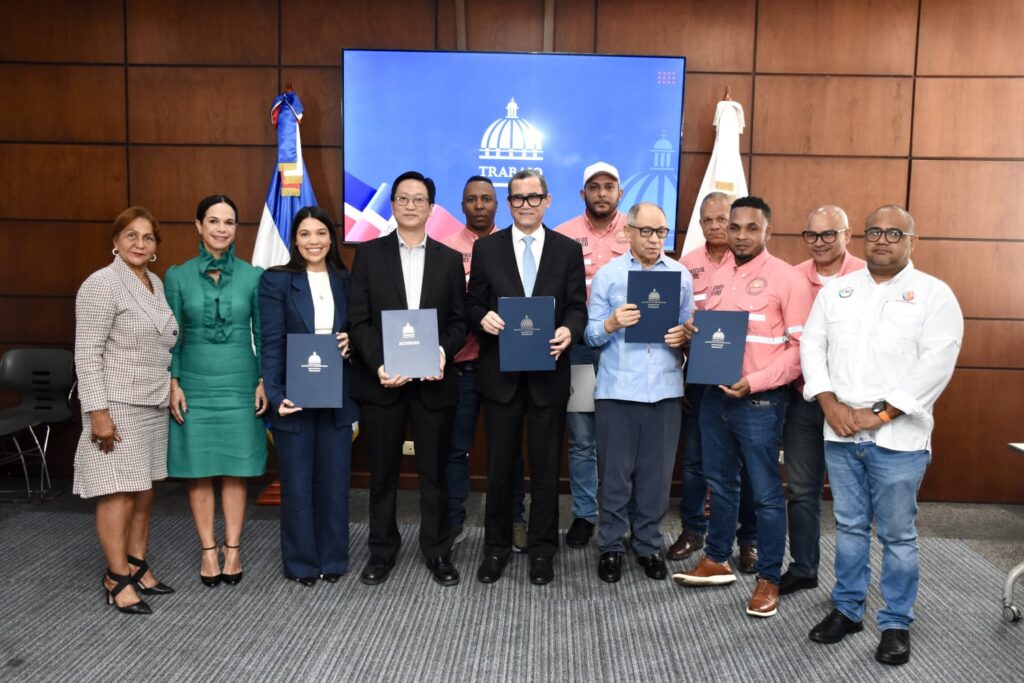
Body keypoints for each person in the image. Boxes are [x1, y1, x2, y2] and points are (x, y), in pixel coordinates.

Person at [802, 206, 962, 666]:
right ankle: (848, 609)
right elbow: (813, 345)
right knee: (850, 527)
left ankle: (895, 622)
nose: (883, 240)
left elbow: (937, 362)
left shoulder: (933, 294)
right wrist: (830, 403)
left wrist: (882, 413)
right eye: (875, 232)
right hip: (841, 430)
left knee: (896, 534)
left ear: (913, 240)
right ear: (863, 238)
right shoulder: (839, 291)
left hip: (899, 437)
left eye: (895, 233)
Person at [672, 196, 813, 619]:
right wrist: (695, 333)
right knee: (721, 482)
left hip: (761, 400)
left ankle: (769, 577)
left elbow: (801, 349)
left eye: (752, 228)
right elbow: (714, 336)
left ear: (768, 231)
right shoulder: (716, 278)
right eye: (735, 227)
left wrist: (756, 381)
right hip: (715, 396)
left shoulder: (787, 279)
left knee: (767, 493)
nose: (741, 235)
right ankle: (717, 557)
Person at [467, 169, 587, 586]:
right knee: (500, 467)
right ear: (508, 202)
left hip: (548, 376)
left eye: (533, 198)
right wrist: (482, 317)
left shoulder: (567, 250)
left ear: (547, 201)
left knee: (546, 469)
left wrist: (569, 330)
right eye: (517, 199)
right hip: (500, 375)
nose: (525, 205)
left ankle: (542, 550)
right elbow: (471, 304)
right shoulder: (487, 249)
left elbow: (577, 306)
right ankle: (496, 548)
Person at [349, 171, 468, 586]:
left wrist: (441, 352)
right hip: (384, 383)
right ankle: (382, 550)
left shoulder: (450, 260)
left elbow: (459, 322)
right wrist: (379, 362)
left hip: (434, 384)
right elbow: (358, 320)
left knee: (434, 473)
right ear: (393, 205)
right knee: (383, 473)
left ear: (432, 208)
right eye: (403, 198)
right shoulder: (368, 255)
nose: (411, 205)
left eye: (420, 199)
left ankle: (438, 551)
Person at [74, 206, 178, 615]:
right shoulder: (101, 284)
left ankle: (136, 564)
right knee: (117, 492)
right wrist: (98, 412)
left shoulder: (154, 282)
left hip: (151, 402)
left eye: (148, 238)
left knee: (144, 490)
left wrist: (169, 384)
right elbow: (86, 354)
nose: (139, 244)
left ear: (155, 247)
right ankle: (116, 577)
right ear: (115, 241)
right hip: (115, 405)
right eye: (131, 236)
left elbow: (161, 342)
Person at [585, 202, 694, 582]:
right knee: (614, 475)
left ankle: (648, 543)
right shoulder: (608, 275)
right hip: (617, 389)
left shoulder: (680, 276)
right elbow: (590, 335)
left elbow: (687, 328)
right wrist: (611, 323)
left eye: (661, 232)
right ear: (627, 232)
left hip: (664, 389)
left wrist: (684, 335)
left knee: (656, 475)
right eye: (645, 231)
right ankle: (611, 545)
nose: (653, 240)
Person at [165, 195, 268, 587]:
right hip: (194, 383)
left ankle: (234, 548)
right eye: (213, 221)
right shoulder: (177, 275)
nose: (221, 229)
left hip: (241, 382)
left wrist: (263, 380)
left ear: (236, 228)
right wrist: (173, 382)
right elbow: (172, 335)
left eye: (229, 222)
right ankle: (209, 549)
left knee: (236, 471)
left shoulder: (253, 275)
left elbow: (263, 334)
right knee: (200, 470)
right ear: (198, 226)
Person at [259, 206, 359, 587]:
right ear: (294, 239)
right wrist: (276, 392)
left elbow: (361, 334)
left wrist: (353, 346)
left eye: (320, 233)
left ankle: (333, 559)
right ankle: (301, 562)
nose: (313, 241)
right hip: (293, 398)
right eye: (305, 234)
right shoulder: (276, 281)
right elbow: (270, 342)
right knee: (297, 484)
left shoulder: (347, 282)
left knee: (334, 482)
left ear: (331, 238)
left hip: (338, 395)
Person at [669, 191, 758, 573]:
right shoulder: (685, 267)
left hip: (747, 377)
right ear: (700, 225)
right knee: (694, 460)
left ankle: (748, 540)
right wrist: (686, 332)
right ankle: (693, 530)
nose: (717, 226)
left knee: (747, 464)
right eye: (708, 221)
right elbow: (675, 321)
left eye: (724, 219)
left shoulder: (757, 267)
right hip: (700, 375)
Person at [779, 205, 865, 595]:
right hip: (803, 401)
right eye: (811, 235)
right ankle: (803, 567)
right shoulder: (792, 277)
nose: (820, 243)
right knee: (801, 490)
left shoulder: (868, 276)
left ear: (848, 234)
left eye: (829, 234)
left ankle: (852, 585)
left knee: (853, 500)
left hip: (853, 406)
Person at [441, 176, 528, 549]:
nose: (480, 205)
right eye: (472, 199)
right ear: (461, 205)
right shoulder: (444, 251)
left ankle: (515, 518)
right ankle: (454, 519)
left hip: (503, 364)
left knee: (507, 448)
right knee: (455, 448)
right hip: (459, 366)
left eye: (487, 199)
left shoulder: (515, 247)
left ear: (499, 205)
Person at [554, 161, 630, 547]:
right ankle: (585, 514)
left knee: (622, 437)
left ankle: (621, 513)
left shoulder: (637, 234)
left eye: (609, 186)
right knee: (582, 436)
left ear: (620, 192)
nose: (602, 193)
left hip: (626, 352)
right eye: (594, 187)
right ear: (582, 193)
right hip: (582, 350)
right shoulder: (564, 236)